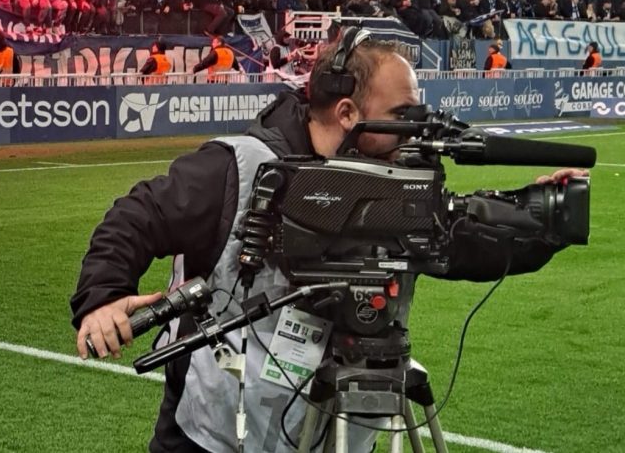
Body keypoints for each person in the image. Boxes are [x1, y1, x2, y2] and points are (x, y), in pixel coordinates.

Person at [71, 29, 584, 453]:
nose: (415, 128)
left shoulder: (398, 177)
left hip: (336, 434)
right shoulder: (241, 167)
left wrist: (541, 222)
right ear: (346, 113)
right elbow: (138, 216)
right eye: (402, 113)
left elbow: (463, 245)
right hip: (214, 435)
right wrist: (102, 297)